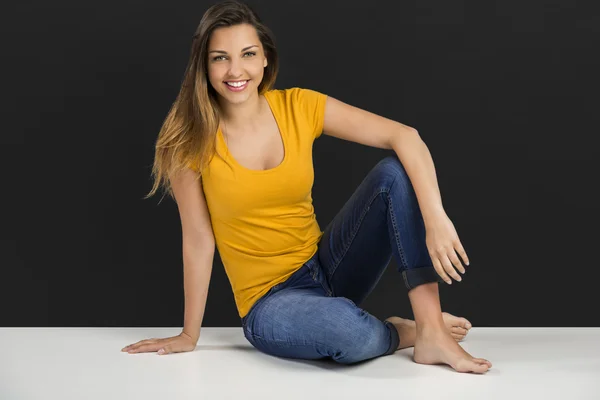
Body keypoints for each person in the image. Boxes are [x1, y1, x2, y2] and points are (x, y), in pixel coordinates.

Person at [122, 0, 492, 374]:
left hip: (326, 267)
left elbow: (405, 136)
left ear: (265, 58)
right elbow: (199, 240)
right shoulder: (191, 141)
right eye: (220, 58)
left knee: (394, 173)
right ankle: (397, 331)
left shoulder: (298, 106)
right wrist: (189, 334)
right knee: (350, 334)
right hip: (270, 304)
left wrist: (436, 218)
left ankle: (430, 330)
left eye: (247, 54)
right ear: (204, 65)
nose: (236, 70)